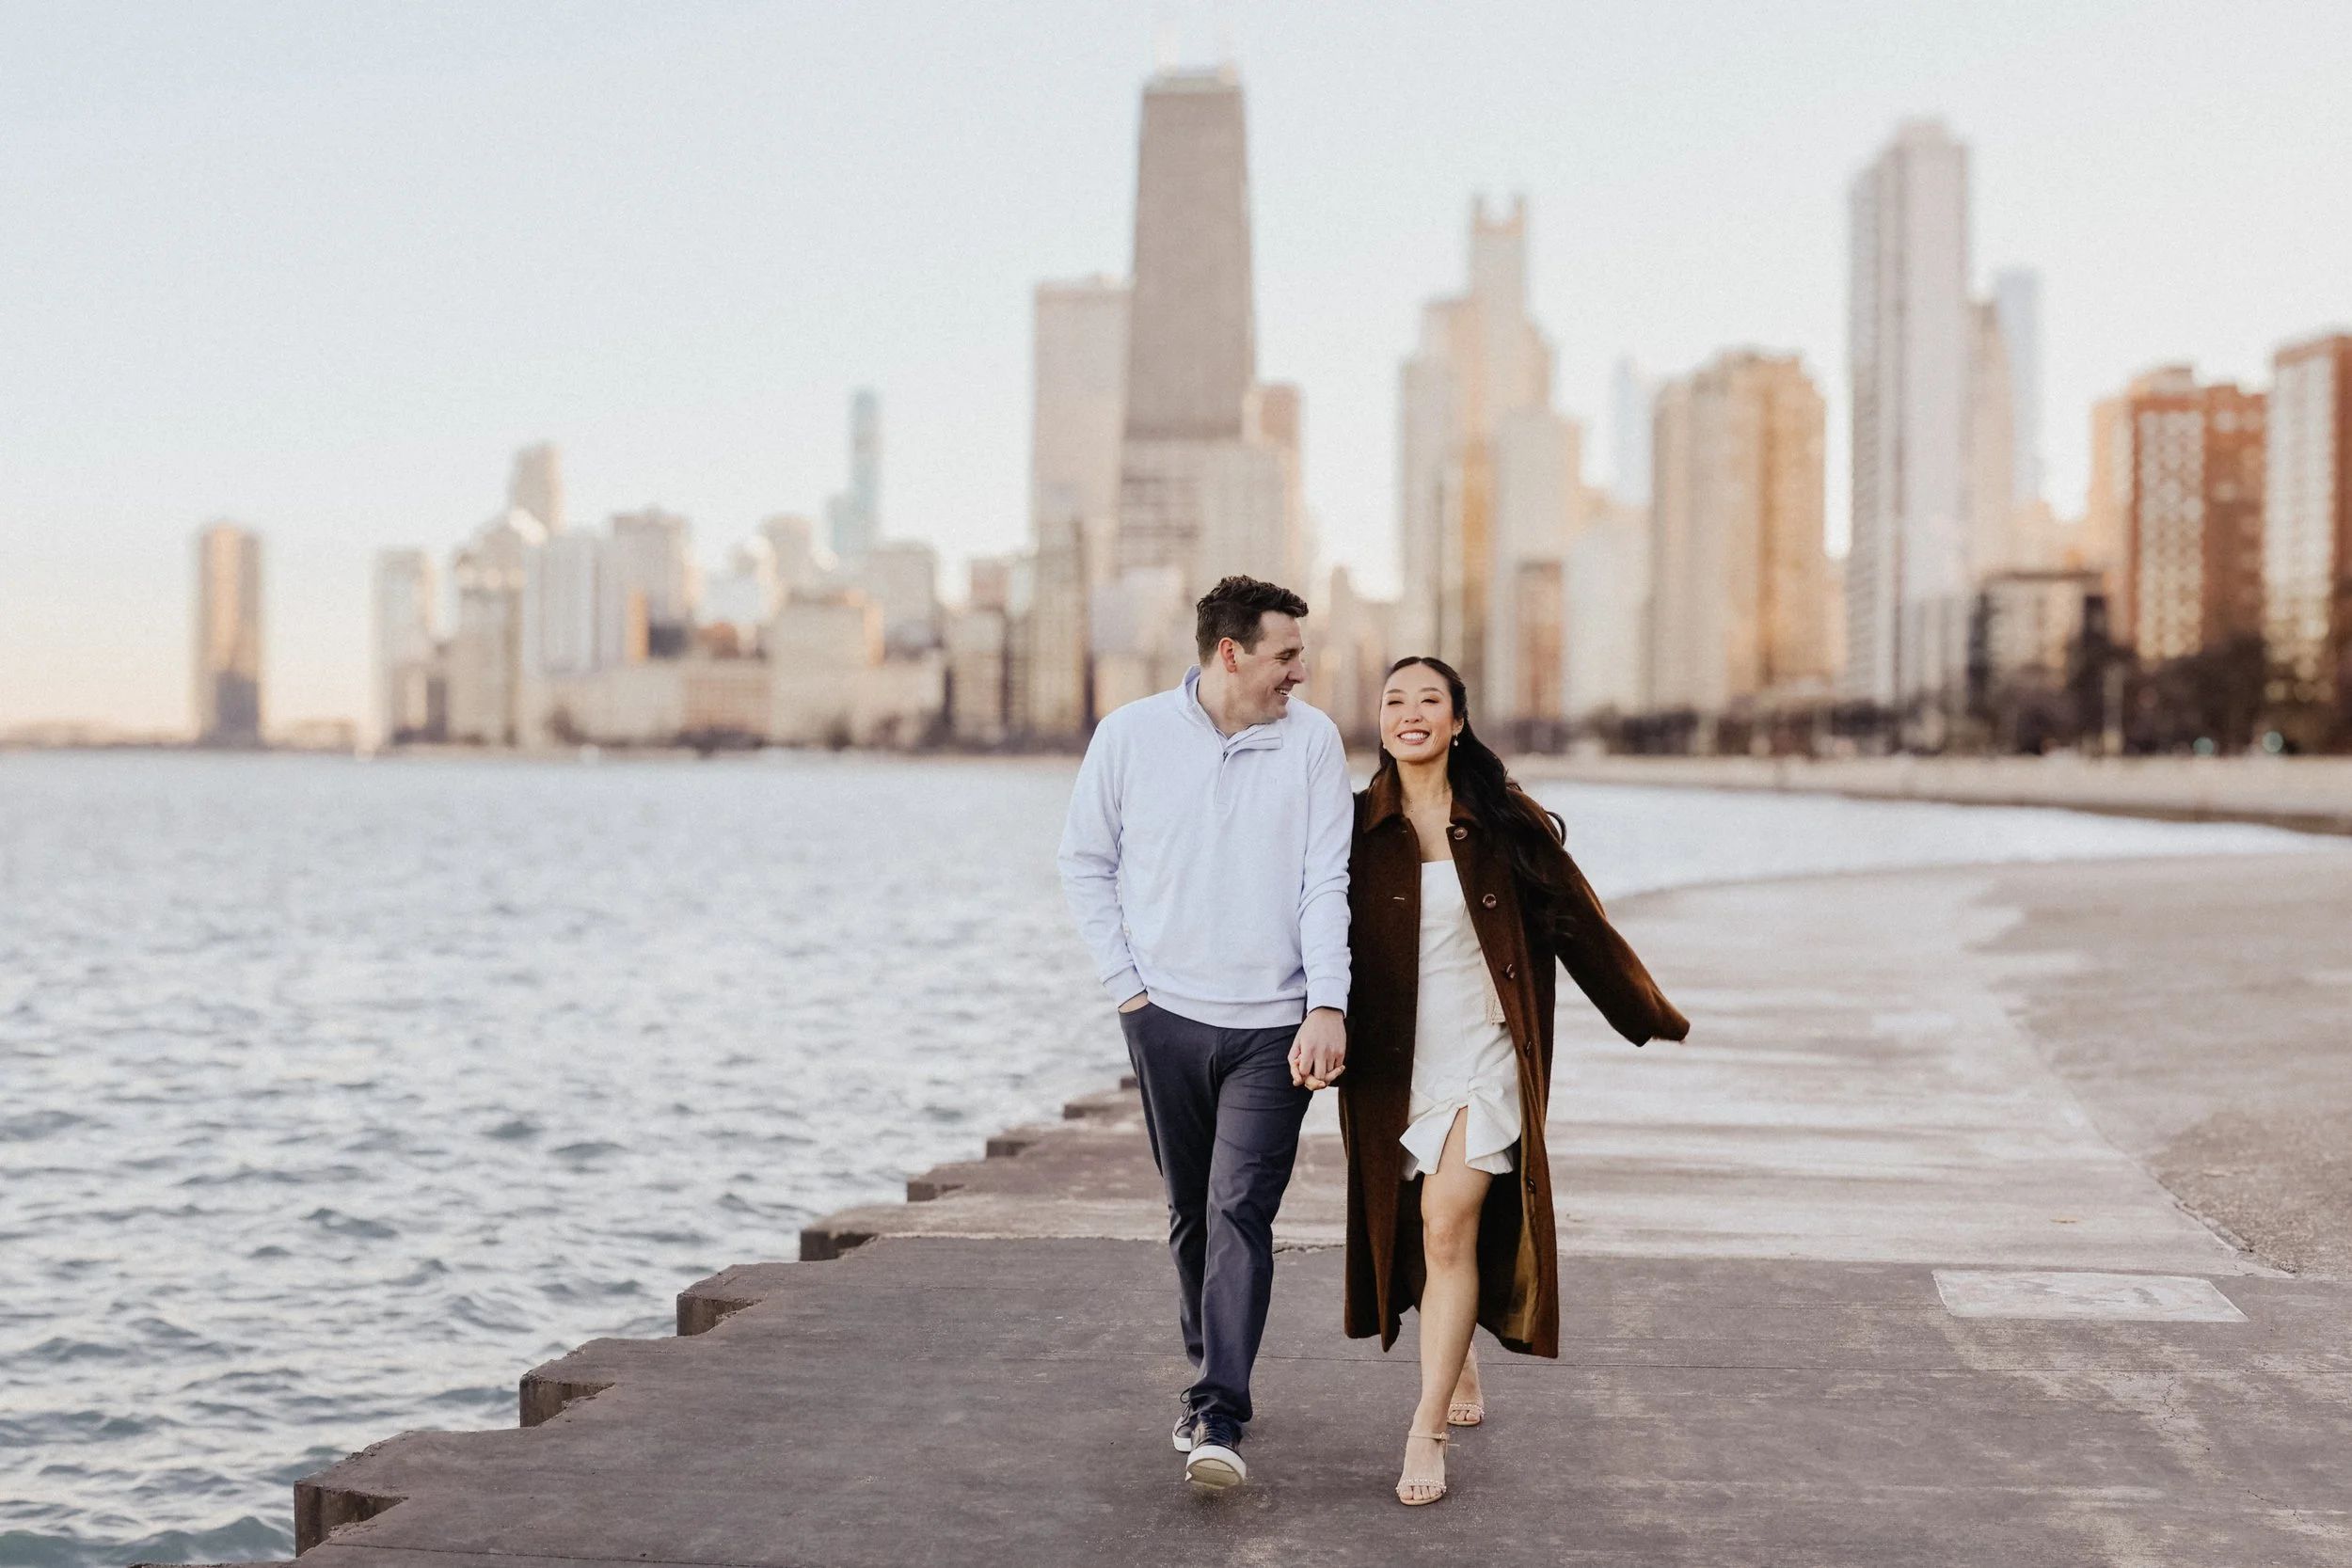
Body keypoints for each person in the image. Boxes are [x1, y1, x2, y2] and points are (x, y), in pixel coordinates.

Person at [1339, 657, 1689, 1506]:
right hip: (1394, 1062)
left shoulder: (1503, 822)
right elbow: (1307, 930)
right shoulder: (1350, 826)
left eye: (1430, 700)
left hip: (1484, 1053)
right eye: (1394, 701)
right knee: (1420, 1230)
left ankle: (1423, 1432)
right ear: (1379, 722)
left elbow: (1579, 919)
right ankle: (1454, 1365)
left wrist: (1647, 1010)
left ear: (1459, 721)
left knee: (1447, 1219)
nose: (1410, 713)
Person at [1057, 575, 1353, 1491]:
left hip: (1272, 1028)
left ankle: (1220, 1405)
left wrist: (1326, 1004)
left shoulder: (1312, 742)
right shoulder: (1131, 735)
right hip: (1165, 1019)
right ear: (1231, 652)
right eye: (1285, 656)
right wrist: (1127, 988)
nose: (1299, 674)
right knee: (1191, 1210)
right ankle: (1205, 1372)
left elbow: (1323, 882)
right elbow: (1084, 860)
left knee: (1238, 1208)